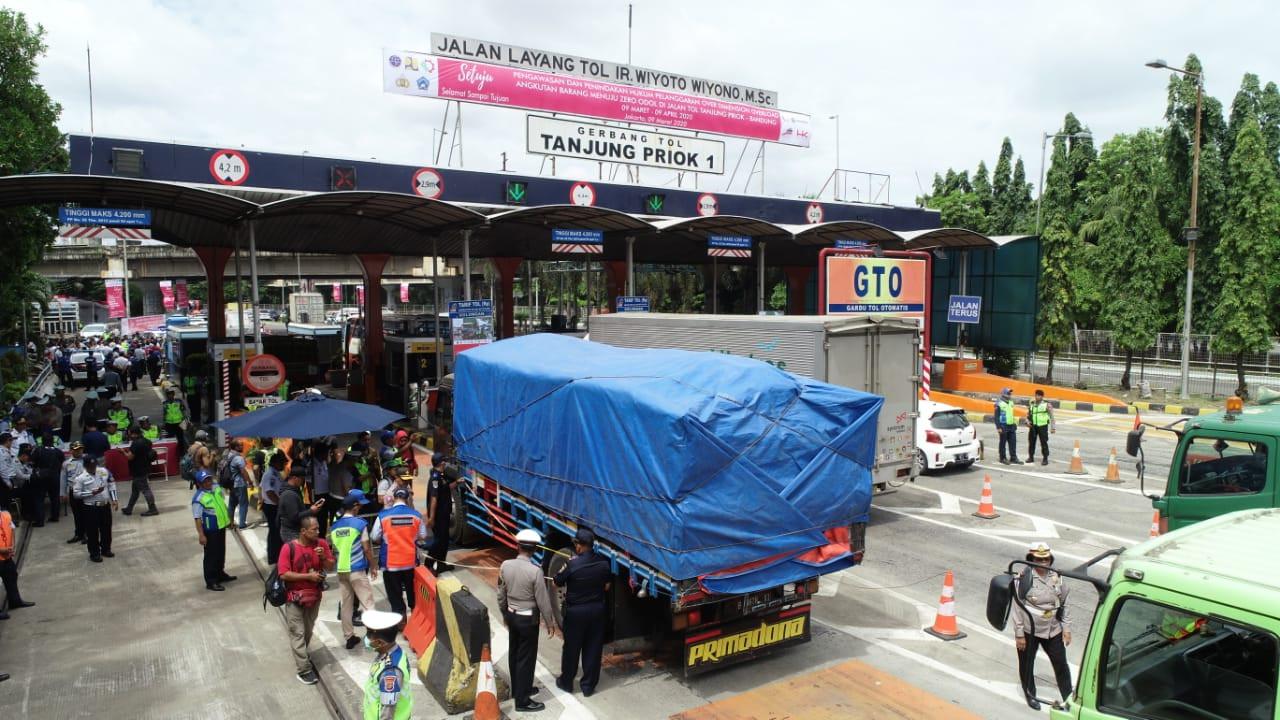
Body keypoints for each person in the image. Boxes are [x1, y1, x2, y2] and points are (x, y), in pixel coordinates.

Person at [498, 528, 559, 713]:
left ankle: (518, 689)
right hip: (528, 620)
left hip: (512, 615)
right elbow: (542, 600)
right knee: (526, 659)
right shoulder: (535, 572)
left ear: (518, 546)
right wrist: (550, 622)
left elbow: (501, 594)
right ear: (534, 549)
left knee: (514, 653)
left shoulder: (505, 565)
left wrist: (505, 615)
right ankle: (522, 701)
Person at [1013, 542, 1073, 710]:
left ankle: (1068, 697)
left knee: (1061, 663)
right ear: (1031, 559)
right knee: (1026, 664)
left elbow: (1065, 603)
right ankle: (1030, 694)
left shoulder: (1057, 577)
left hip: (1052, 629)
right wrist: (1019, 634)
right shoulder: (1024, 578)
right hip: (1029, 629)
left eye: (1046, 559)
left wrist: (1066, 629)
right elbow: (1017, 607)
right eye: (1038, 559)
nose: (1043, 562)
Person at [277, 515, 334, 685]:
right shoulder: (289, 548)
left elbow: (331, 566)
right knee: (298, 632)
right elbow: (284, 573)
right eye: (314, 529)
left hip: (314, 597)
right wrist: (308, 576)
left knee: (307, 631)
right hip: (294, 598)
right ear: (303, 531)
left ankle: (302, 653)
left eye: (318, 528)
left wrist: (323, 557)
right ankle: (304, 669)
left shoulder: (322, 544)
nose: (318, 531)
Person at [554, 527, 611, 697]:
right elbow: (607, 586)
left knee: (571, 649)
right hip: (597, 611)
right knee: (593, 649)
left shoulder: (572, 564)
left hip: (576, 613)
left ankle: (566, 683)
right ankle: (588, 687)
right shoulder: (603, 563)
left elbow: (556, 582)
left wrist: (567, 566)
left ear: (579, 546)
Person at [330, 489, 377, 649]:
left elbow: (335, 549)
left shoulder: (334, 527)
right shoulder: (360, 524)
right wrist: (373, 565)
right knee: (367, 603)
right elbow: (366, 548)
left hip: (341, 570)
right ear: (355, 507)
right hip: (357, 569)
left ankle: (349, 637)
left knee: (346, 605)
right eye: (359, 506)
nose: (361, 508)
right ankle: (371, 637)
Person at [371, 486, 426, 617]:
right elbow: (423, 536)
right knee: (413, 596)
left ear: (394, 498)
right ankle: (415, 623)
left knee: (395, 599)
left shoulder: (383, 516)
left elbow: (374, 537)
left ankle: (401, 625)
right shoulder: (416, 515)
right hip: (411, 563)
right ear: (407, 499)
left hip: (391, 565)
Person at [361, 609, 415, 720]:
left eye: (369, 635)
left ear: (380, 642)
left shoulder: (389, 672)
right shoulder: (395, 652)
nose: (366, 638)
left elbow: (388, 711)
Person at [191, 469, 236, 591]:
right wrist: (201, 535)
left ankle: (220, 574)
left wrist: (230, 520)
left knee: (220, 552)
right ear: (199, 484)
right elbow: (197, 518)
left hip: (221, 526)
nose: (208, 482)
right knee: (211, 555)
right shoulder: (198, 498)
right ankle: (211, 581)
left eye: (209, 479)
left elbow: (222, 504)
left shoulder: (216, 488)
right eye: (205, 481)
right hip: (210, 530)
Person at [72, 455, 117, 562]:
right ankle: (94, 553)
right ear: (85, 466)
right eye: (90, 466)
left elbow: (111, 483)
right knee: (92, 531)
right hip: (91, 507)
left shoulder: (104, 471)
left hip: (105, 505)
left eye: (94, 465)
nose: (93, 468)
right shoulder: (80, 478)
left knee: (106, 529)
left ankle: (106, 549)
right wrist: (91, 493)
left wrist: (114, 499)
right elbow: (76, 494)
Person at [426, 453, 460, 574]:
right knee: (438, 542)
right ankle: (428, 565)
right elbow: (434, 499)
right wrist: (431, 517)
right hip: (439, 516)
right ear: (441, 463)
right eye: (444, 461)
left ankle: (441, 565)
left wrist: (457, 482)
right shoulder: (435, 478)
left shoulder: (441, 476)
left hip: (444, 514)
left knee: (444, 541)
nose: (445, 463)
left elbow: (445, 488)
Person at [0, 502, 34, 619]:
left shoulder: (5, 515)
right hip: (2, 553)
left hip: (6, 555)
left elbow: (12, 530)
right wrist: (2, 550)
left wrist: (12, 547)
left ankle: (15, 601)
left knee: (11, 575)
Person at [279, 467, 324, 545]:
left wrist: (311, 509)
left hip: (295, 530)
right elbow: (294, 517)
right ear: (294, 478)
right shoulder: (289, 495)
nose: (303, 481)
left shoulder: (295, 489)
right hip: (291, 533)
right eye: (302, 479)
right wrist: (311, 511)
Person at [121, 425, 159, 516]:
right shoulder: (147, 441)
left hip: (138, 470)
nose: (129, 436)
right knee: (135, 490)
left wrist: (123, 452)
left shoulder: (136, 443)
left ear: (134, 434)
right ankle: (129, 508)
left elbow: (130, 457)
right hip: (145, 468)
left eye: (130, 434)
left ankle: (153, 509)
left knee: (145, 490)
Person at [31, 433, 65, 527]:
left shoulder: (38, 450)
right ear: (52, 441)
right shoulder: (58, 451)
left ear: (42, 441)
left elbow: (32, 461)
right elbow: (62, 461)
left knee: (39, 498)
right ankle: (55, 516)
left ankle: (40, 520)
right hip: (54, 476)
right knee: (54, 497)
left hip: (41, 477)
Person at [261, 451, 286, 563]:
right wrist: (280, 504)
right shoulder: (269, 474)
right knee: (274, 532)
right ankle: (273, 557)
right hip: (272, 507)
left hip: (275, 506)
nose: (283, 465)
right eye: (282, 463)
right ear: (276, 462)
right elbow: (269, 492)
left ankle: (277, 554)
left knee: (277, 531)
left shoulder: (276, 473)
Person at [61, 441, 88, 544]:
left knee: (86, 513)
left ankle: (87, 534)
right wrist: (63, 493)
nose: (79, 451)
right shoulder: (67, 463)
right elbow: (63, 479)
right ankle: (78, 534)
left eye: (81, 449)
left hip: (85, 491)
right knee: (76, 514)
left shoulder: (87, 460)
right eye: (76, 449)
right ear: (71, 450)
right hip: (73, 491)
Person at [222, 439, 252, 530]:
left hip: (231, 484)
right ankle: (242, 524)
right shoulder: (238, 458)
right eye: (240, 445)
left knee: (232, 504)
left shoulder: (228, 454)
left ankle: (230, 523)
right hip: (239, 484)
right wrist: (249, 482)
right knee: (243, 504)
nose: (242, 447)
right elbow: (243, 471)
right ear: (235, 447)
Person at [1025, 389, 1056, 466]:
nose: (1037, 397)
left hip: (1042, 427)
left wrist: (1053, 428)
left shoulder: (1047, 405)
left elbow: (1052, 417)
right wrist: (1027, 422)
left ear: (1042, 396)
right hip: (1033, 427)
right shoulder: (1032, 404)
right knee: (1031, 442)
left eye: (1039, 395)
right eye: (1036, 395)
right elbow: (1028, 415)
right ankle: (1031, 457)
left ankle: (1045, 458)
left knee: (1044, 443)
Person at [994, 387, 1018, 465]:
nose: (1010, 394)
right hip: (1003, 425)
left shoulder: (1011, 402)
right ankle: (1002, 458)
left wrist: (1014, 423)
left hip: (1011, 426)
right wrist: (998, 427)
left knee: (1013, 442)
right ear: (1004, 394)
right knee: (1003, 443)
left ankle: (1013, 458)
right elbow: (996, 416)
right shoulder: (998, 403)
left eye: (1010, 393)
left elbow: (1011, 414)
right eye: (1008, 393)